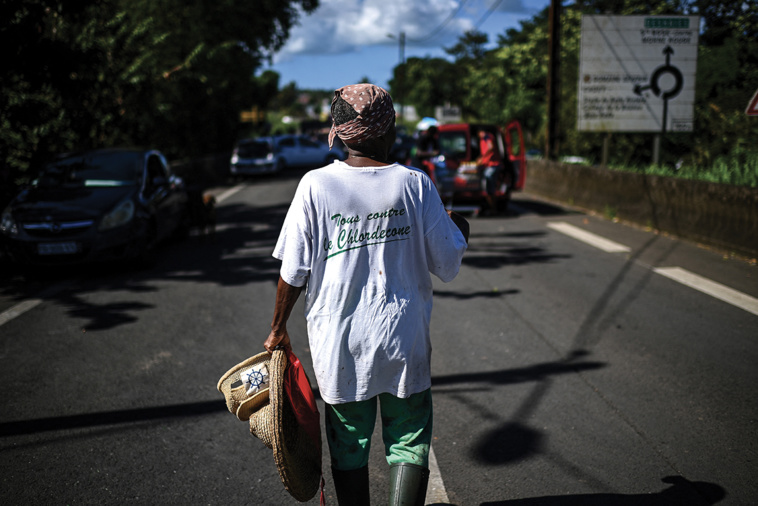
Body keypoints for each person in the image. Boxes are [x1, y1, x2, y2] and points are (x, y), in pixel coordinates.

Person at [263, 83, 469, 506]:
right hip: (403, 337)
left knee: (349, 443)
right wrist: (460, 228)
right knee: (409, 439)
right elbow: (447, 263)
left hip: (340, 342)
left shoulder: (315, 186)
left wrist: (277, 328)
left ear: (338, 131)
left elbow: (294, 270)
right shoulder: (416, 185)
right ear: (389, 128)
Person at [476, 130, 503, 215]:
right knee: (489, 189)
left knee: (489, 186)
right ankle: (491, 207)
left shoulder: (486, 136)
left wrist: (482, 157)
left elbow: (490, 147)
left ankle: (493, 208)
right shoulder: (483, 139)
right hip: (488, 165)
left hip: (493, 165)